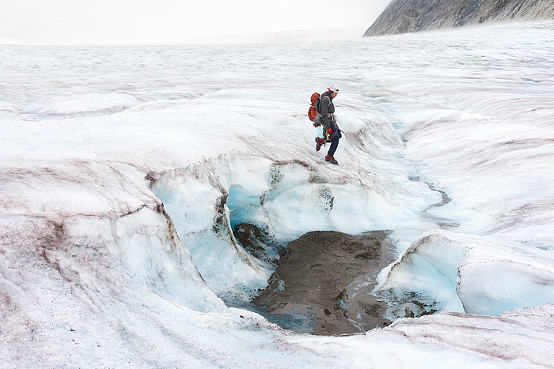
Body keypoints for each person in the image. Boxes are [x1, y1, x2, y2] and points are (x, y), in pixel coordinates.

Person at [315, 85, 341, 165]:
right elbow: (324, 114)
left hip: (331, 120)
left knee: (338, 135)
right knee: (336, 138)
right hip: (327, 121)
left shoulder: (329, 97)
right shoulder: (325, 100)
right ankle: (329, 156)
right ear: (331, 92)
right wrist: (328, 127)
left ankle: (321, 141)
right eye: (335, 93)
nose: (336, 95)